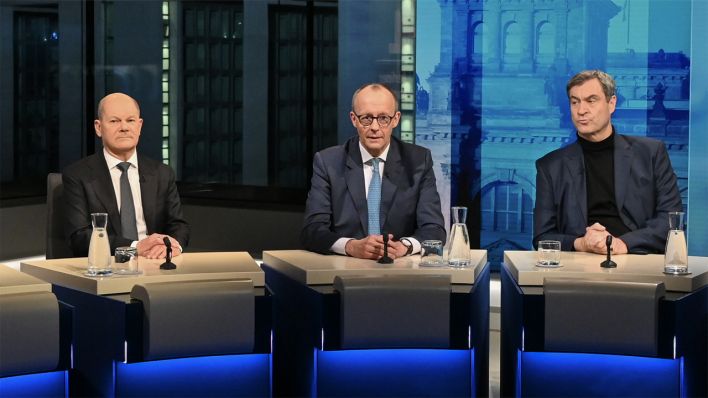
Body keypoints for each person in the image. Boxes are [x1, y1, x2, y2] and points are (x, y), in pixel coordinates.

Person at [534, 70, 682, 254]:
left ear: (611, 103)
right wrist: (582, 243)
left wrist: (622, 244)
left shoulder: (651, 153)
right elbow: (542, 236)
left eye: (591, 100)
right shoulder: (550, 166)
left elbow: (670, 221)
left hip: (636, 259)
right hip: (579, 264)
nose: (581, 110)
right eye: (575, 102)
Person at [301, 83, 446, 260]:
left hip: (401, 272)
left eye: (384, 118)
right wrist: (350, 246)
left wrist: (404, 246)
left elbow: (434, 229)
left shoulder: (418, 162)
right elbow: (313, 230)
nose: (375, 127)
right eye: (367, 118)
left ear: (396, 119)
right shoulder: (328, 162)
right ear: (354, 119)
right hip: (345, 268)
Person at [63, 93, 189, 259]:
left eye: (130, 120)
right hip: (105, 267)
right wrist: (135, 247)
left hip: (154, 264)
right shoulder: (78, 175)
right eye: (114, 121)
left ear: (139, 125)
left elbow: (178, 225)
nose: (124, 127)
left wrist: (173, 246)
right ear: (98, 128)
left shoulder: (162, 173)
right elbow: (80, 237)